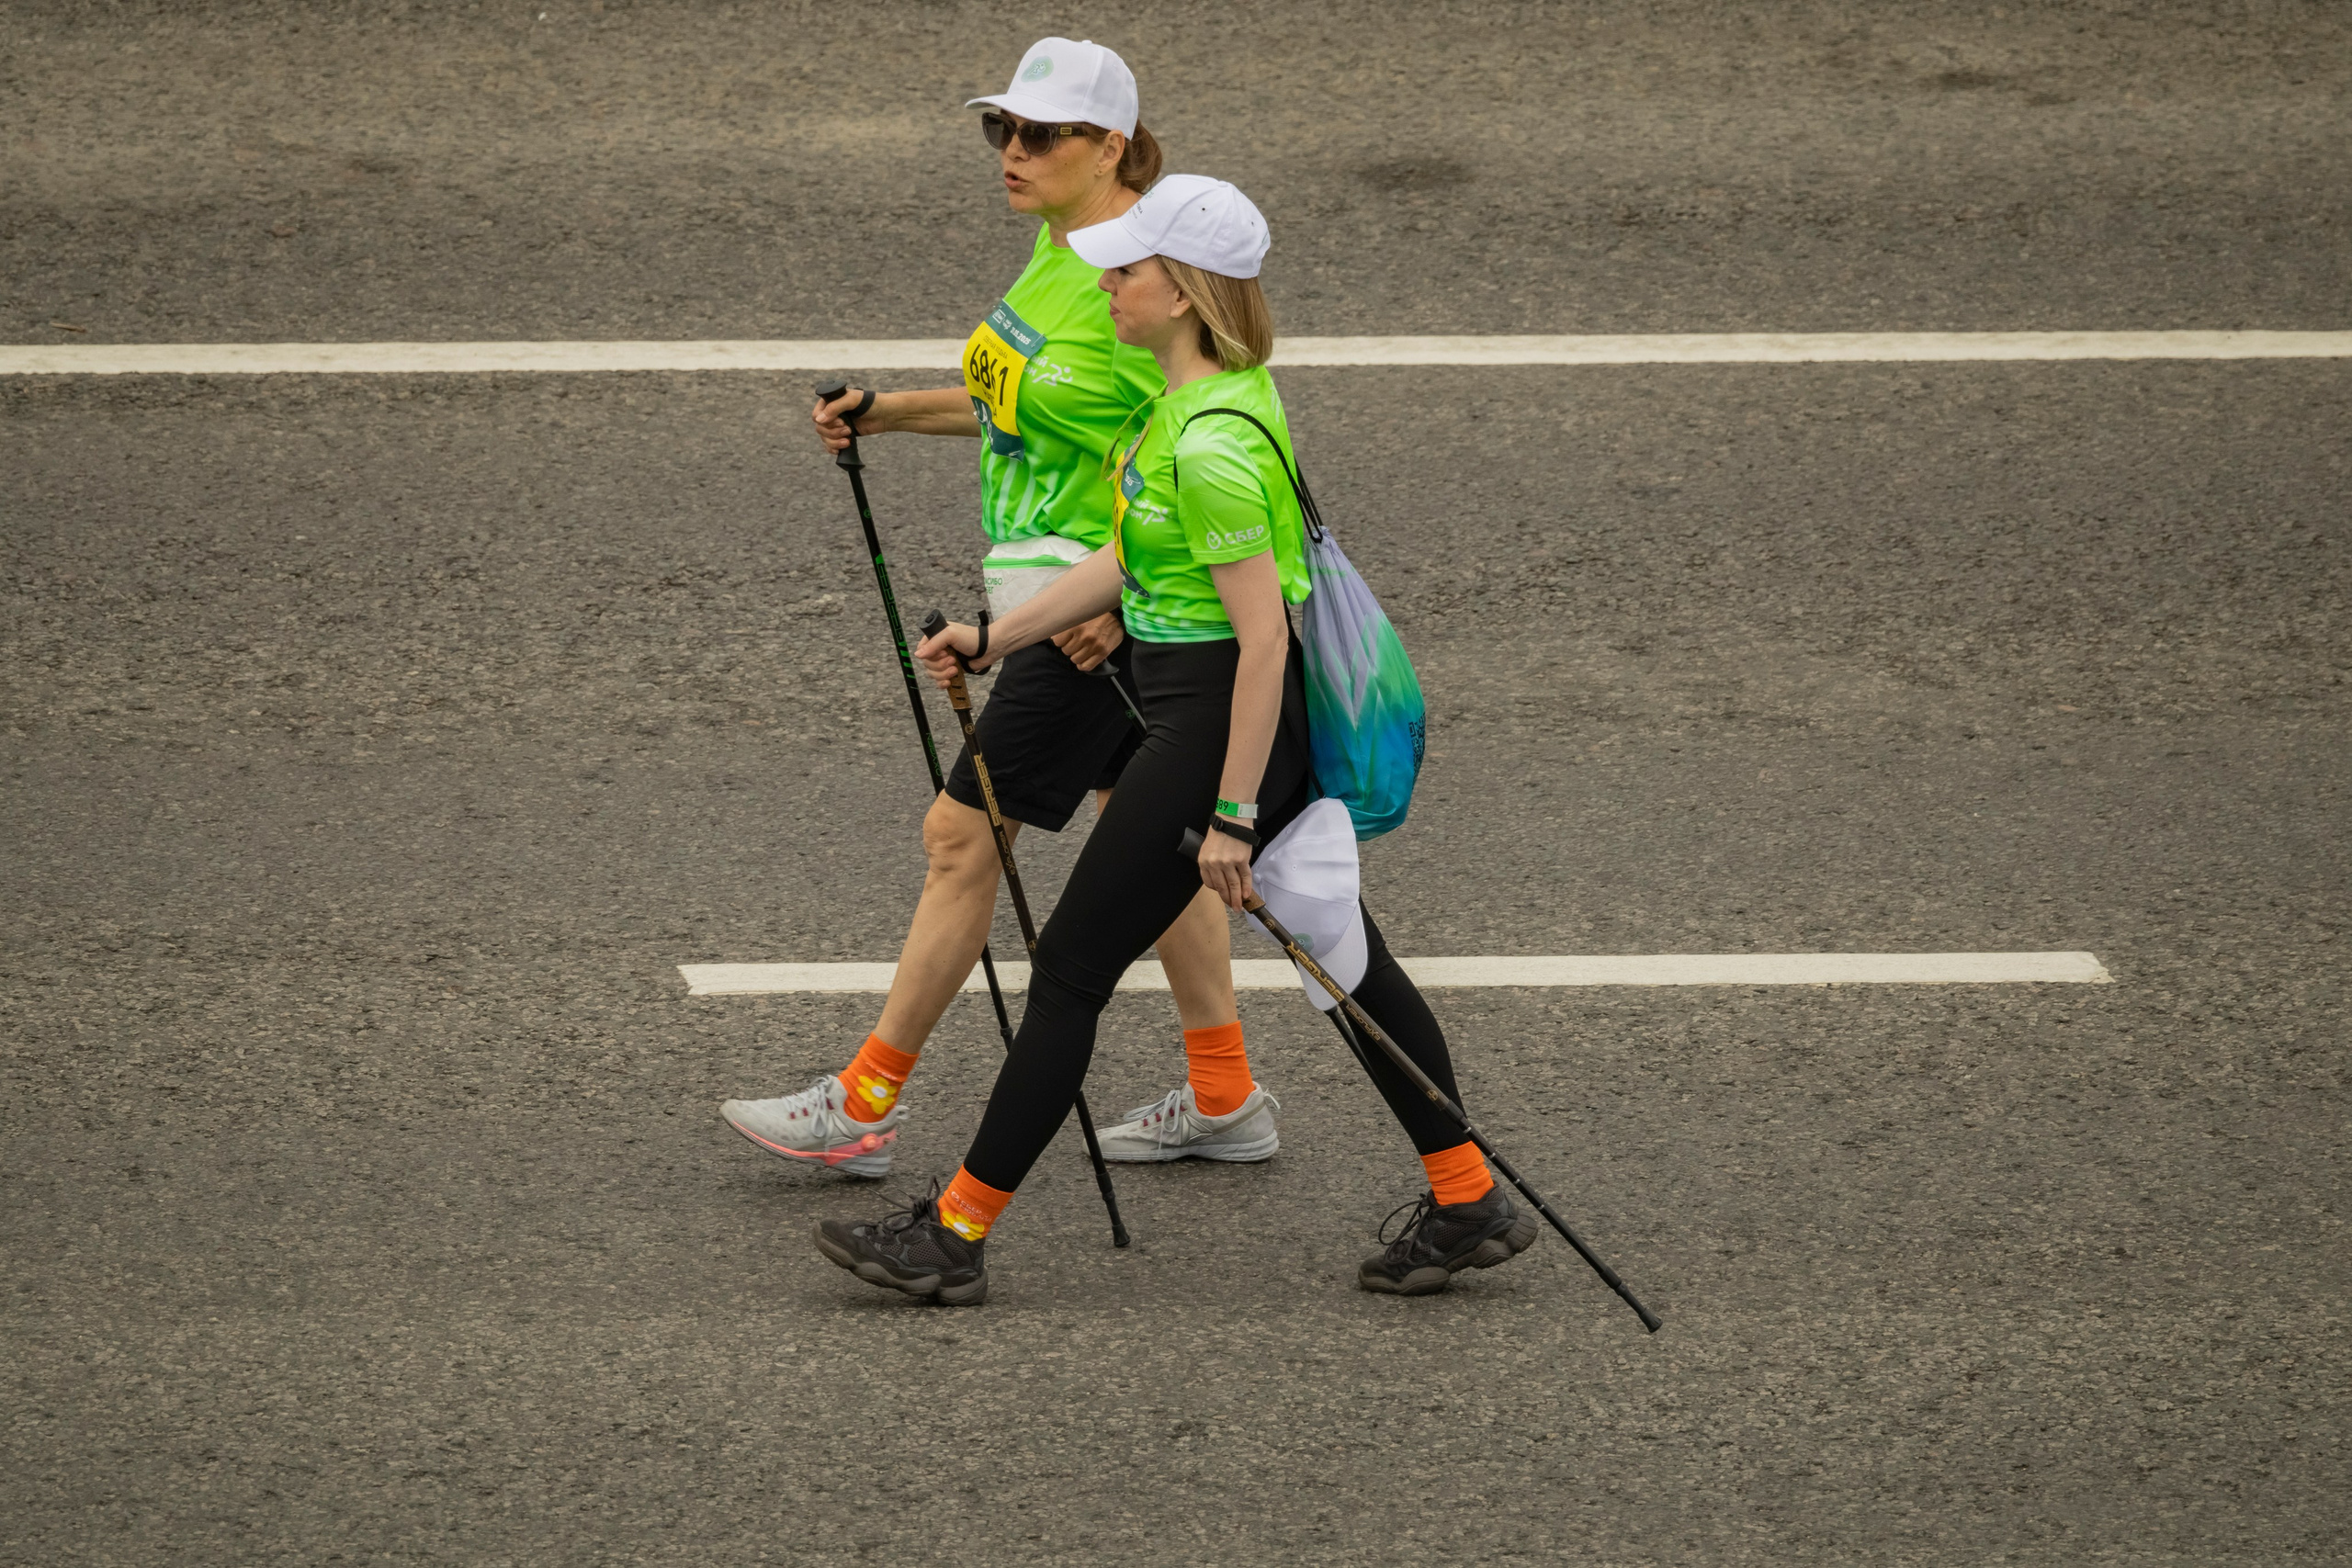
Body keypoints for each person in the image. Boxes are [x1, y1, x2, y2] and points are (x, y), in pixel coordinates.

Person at [812, 175, 1541, 1305]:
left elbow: (1261, 643)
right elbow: (1129, 561)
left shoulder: (1207, 446)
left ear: (1187, 291)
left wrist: (1232, 817)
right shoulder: (1196, 402)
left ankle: (953, 1236)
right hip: (1218, 719)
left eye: (1128, 269)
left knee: (1068, 975)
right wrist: (997, 638)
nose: (1106, 285)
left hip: (1212, 730)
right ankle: (1466, 1195)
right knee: (1348, 958)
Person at [719, 39, 1282, 1180]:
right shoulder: (1060, 251)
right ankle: (1226, 1096)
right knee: (1145, 837)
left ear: (1110, 146)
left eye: (1038, 134)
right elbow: (1019, 407)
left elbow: (1189, 444)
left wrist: (1128, 599)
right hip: (1056, 600)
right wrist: (887, 411)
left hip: (1085, 614)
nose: (1010, 152)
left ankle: (863, 1102)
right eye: (1001, 130)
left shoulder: (1141, 285)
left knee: (959, 836)